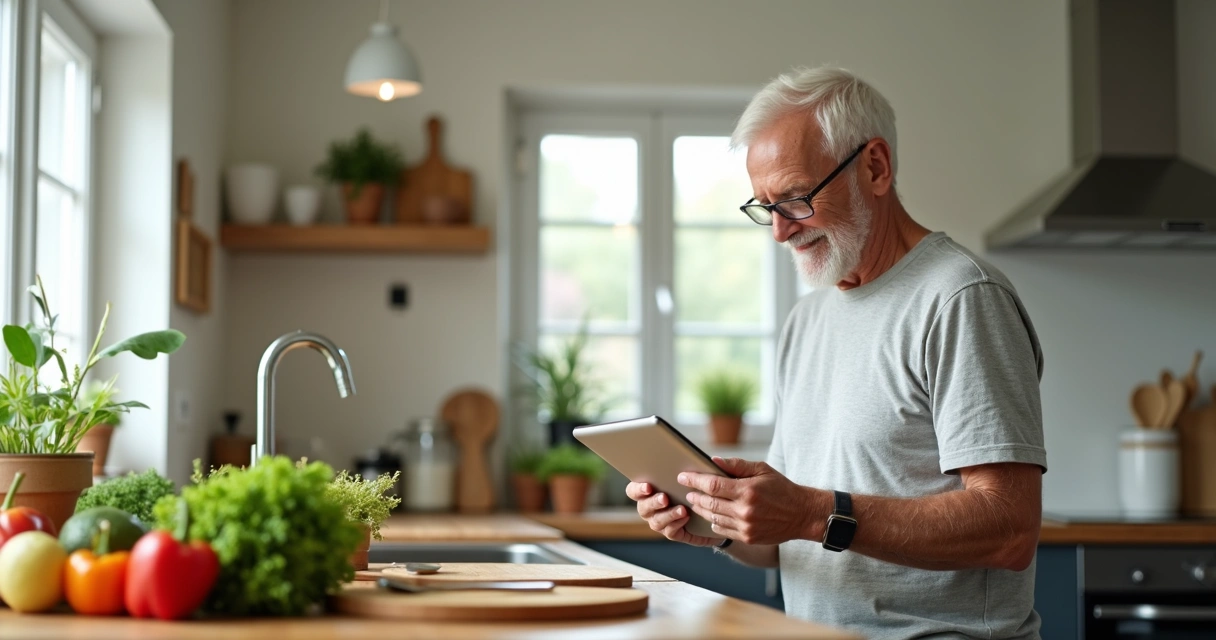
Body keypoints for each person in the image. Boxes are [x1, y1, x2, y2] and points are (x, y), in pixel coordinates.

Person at [626, 66, 1048, 640]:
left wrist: (808, 510)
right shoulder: (808, 320)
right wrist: (722, 523)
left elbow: (1009, 529)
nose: (779, 231)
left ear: (875, 167)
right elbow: (790, 545)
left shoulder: (960, 298)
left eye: (796, 199)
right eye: (764, 206)